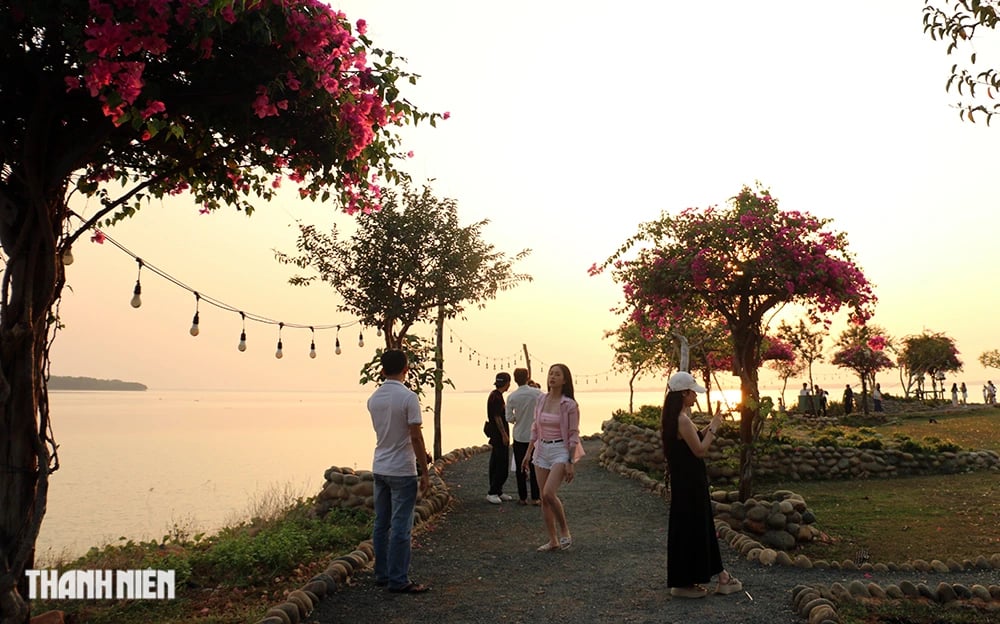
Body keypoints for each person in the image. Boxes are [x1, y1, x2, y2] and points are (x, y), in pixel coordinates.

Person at [660, 370, 742, 598]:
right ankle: (714, 578)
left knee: (689, 529)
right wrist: (714, 426)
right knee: (698, 527)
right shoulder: (682, 420)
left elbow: (691, 441)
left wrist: (708, 426)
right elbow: (699, 449)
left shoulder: (672, 418)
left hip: (683, 482)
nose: (695, 397)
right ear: (684, 393)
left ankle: (690, 579)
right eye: (692, 394)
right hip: (691, 483)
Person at [367, 349, 431, 594]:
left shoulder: (373, 399)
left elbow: (389, 433)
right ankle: (398, 579)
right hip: (402, 470)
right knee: (401, 526)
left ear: (382, 370)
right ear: (406, 369)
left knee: (381, 523)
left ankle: (382, 574)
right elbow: (415, 435)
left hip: (380, 465)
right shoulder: (408, 397)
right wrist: (424, 470)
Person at [521, 363, 584, 552]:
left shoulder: (569, 405)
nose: (552, 377)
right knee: (543, 497)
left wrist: (570, 462)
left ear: (565, 380)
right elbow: (535, 428)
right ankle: (553, 539)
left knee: (549, 493)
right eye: (551, 374)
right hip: (542, 450)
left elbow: (573, 435)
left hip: (560, 451)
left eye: (557, 374)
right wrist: (528, 453)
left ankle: (564, 530)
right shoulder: (541, 399)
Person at [506, 368, 544, 506]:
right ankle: (536, 497)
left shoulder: (512, 397)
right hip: (535, 436)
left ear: (515, 379)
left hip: (519, 435)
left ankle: (522, 498)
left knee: (521, 467)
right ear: (528, 377)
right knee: (535, 466)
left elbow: (509, 418)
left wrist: (518, 417)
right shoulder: (538, 393)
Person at [485, 372, 513, 504]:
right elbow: (497, 417)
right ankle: (493, 491)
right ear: (507, 383)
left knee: (497, 461)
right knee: (501, 464)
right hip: (498, 436)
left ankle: (498, 490)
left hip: (497, 436)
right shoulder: (496, 397)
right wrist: (504, 435)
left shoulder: (496, 395)